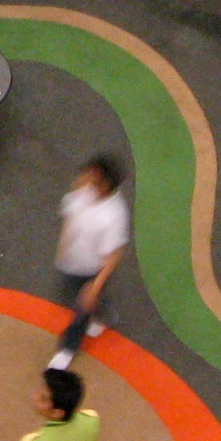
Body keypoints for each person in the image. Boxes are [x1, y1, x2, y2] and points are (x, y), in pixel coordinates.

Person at [49, 154, 129, 371]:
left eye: (92, 176)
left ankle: (68, 348)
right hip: (71, 263)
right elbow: (70, 214)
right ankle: (104, 313)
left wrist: (95, 285)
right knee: (72, 297)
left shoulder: (114, 215)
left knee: (81, 309)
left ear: (105, 185)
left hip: (91, 270)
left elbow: (113, 254)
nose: (85, 177)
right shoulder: (83, 192)